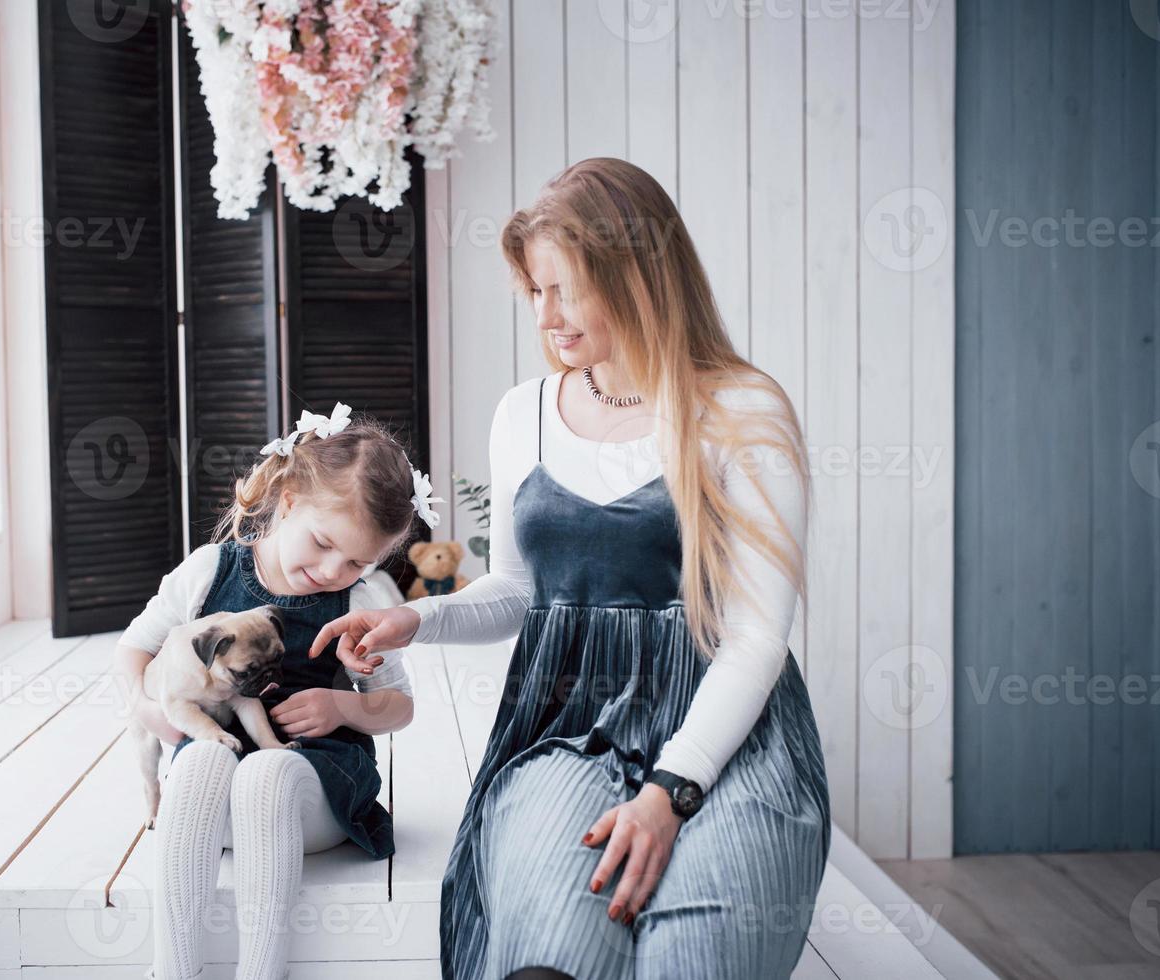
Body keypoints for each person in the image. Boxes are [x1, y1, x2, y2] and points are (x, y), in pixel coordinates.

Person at [310, 157, 832, 980]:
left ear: (640, 276)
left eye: (568, 289)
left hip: (732, 743)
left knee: (696, 953)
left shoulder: (742, 411)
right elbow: (521, 591)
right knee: (556, 944)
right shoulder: (524, 415)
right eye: (534, 292)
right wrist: (422, 617)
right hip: (566, 731)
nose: (547, 317)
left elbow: (758, 637)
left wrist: (669, 792)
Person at [113, 405, 434, 980]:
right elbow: (132, 649)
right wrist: (146, 706)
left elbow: (400, 707)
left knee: (266, 772)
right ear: (288, 503)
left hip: (314, 795)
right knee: (200, 759)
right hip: (218, 809)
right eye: (322, 543)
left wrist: (346, 704)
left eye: (358, 561)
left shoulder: (360, 602)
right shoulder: (210, 571)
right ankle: (173, 972)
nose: (335, 569)